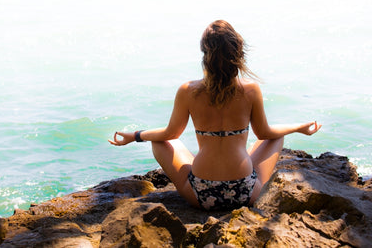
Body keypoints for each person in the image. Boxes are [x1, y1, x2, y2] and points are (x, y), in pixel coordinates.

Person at [109, 20, 321, 210]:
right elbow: (265, 132)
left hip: (201, 194)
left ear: (205, 54)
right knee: (276, 135)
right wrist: (299, 127)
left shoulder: (188, 90)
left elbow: (169, 133)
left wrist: (135, 136)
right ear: (238, 53)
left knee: (160, 141)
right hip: (245, 192)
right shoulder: (250, 89)